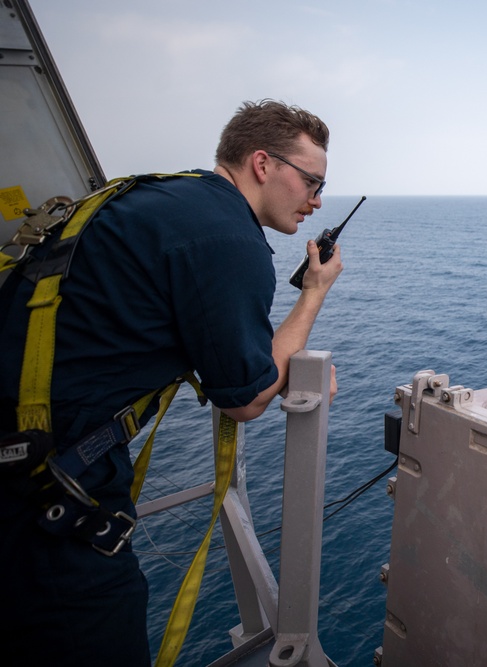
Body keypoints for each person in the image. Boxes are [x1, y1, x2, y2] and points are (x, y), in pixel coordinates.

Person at [0, 99, 342, 666]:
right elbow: (247, 398)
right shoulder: (227, 240)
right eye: (311, 182)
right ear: (263, 163)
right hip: (40, 493)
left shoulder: (157, 196)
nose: (317, 201)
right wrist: (314, 292)